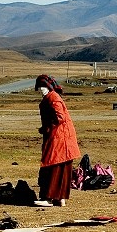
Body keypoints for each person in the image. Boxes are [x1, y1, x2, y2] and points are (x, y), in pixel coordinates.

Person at [33, 74, 81, 207]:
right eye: (40, 87)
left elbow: (60, 117)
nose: (41, 89)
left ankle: (48, 197)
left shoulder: (53, 98)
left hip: (59, 137)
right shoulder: (51, 97)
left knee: (52, 166)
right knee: (62, 168)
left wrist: (47, 128)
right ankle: (60, 198)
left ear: (48, 86)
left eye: (43, 86)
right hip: (61, 137)